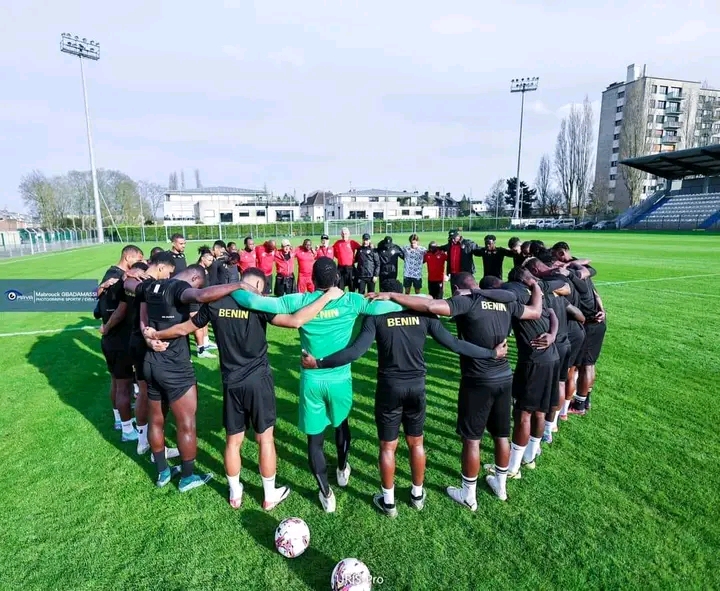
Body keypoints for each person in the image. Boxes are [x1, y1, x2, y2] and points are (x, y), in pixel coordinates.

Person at [302, 279, 507, 517]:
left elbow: (355, 351)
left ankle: (389, 502)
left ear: (383, 297)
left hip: (390, 388)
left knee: (387, 446)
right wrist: (491, 353)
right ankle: (417, 495)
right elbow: (455, 344)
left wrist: (319, 363)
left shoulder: (375, 317)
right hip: (416, 388)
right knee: (416, 443)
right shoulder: (422, 314)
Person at [143, 267, 343, 509]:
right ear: (257, 287)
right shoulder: (259, 304)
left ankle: (235, 493)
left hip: (231, 382)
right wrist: (327, 296)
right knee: (265, 439)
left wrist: (156, 334)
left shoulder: (215, 304)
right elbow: (295, 321)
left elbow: (185, 328)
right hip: (258, 381)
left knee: (233, 441)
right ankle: (269, 495)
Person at [230, 257, 405, 513]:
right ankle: (343, 467)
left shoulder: (299, 300)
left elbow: (255, 301)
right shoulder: (351, 301)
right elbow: (392, 306)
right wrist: (412, 300)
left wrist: (234, 288)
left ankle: (326, 493)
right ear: (337, 279)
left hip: (311, 380)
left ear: (312, 279)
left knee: (315, 439)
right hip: (340, 379)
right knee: (341, 424)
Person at [367, 274, 538, 506]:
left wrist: (389, 296)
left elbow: (429, 304)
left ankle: (462, 496)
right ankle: (498, 487)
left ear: (457, 288)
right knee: (500, 435)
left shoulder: (466, 302)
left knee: (470, 440)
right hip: (503, 375)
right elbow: (535, 312)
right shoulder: (506, 301)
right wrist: (536, 286)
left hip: (473, 380)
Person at [128, 263, 249, 492]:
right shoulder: (179, 289)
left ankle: (163, 472)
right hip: (176, 368)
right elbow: (202, 296)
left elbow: (131, 286)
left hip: (150, 363)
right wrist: (239, 284)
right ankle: (187, 477)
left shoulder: (151, 285)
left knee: (156, 420)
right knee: (186, 424)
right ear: (194, 278)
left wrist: (147, 335)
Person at [501, 267, 559, 479]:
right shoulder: (535, 294)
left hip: (534, 361)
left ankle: (512, 468)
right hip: (551, 357)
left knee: (523, 413)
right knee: (540, 410)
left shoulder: (513, 292)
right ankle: (530, 458)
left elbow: (538, 312)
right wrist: (552, 334)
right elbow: (552, 313)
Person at [97, 244, 145, 436]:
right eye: (139, 258)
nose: (141, 262)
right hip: (118, 339)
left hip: (112, 340)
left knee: (117, 382)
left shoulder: (113, 276)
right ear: (128, 257)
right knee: (123, 385)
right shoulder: (117, 277)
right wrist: (107, 327)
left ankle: (119, 419)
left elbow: (99, 304)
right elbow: (118, 311)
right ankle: (127, 430)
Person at [194, 247, 217, 359]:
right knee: (198, 324)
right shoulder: (197, 270)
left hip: (204, 299)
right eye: (209, 260)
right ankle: (200, 350)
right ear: (203, 259)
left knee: (204, 322)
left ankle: (206, 343)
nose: (211, 262)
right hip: (196, 301)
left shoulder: (205, 269)